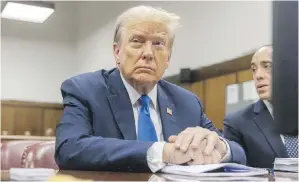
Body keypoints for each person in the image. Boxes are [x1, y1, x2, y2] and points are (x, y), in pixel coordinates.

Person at [55, 5, 246, 172]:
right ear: (117, 52)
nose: (148, 53)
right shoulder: (84, 90)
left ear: (168, 58)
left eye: (158, 44)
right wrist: (163, 152)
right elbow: (69, 148)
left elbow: (237, 152)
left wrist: (219, 146)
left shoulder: (186, 102)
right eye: (137, 41)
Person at [223, 45, 298, 168]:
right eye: (254, 69)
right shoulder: (236, 123)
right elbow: (235, 174)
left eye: (267, 66)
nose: (258, 75)